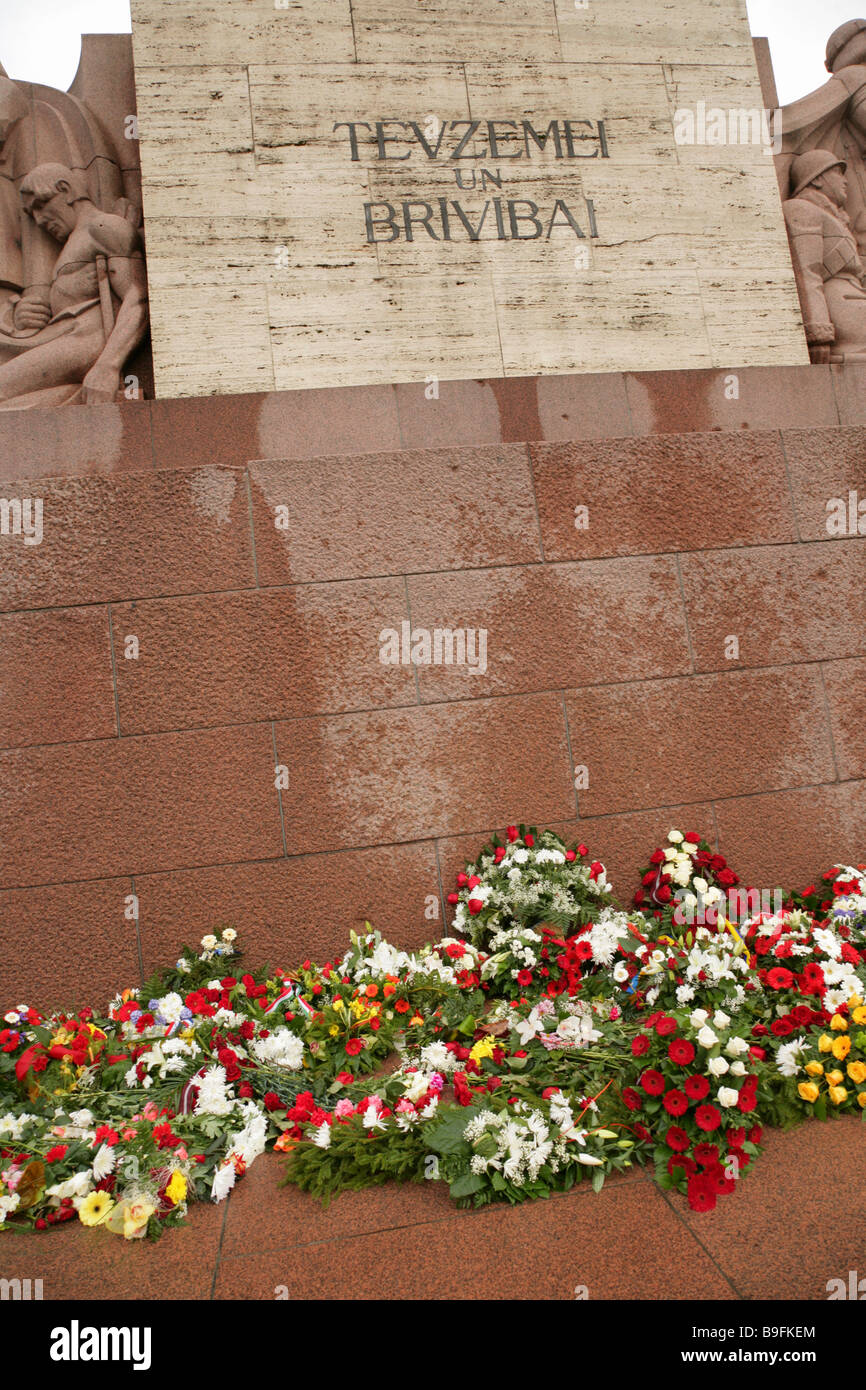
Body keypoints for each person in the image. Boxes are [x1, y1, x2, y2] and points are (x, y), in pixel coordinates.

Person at [0, 163, 148, 406]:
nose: (38, 220)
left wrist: (107, 366)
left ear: (65, 190)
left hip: (86, 337)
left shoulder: (102, 226)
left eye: (40, 205)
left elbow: (138, 296)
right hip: (63, 335)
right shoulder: (77, 238)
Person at [782, 149, 866, 362]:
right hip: (841, 309)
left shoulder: (835, 218)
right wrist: (818, 333)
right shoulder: (801, 209)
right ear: (817, 179)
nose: (845, 181)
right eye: (837, 173)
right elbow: (807, 271)